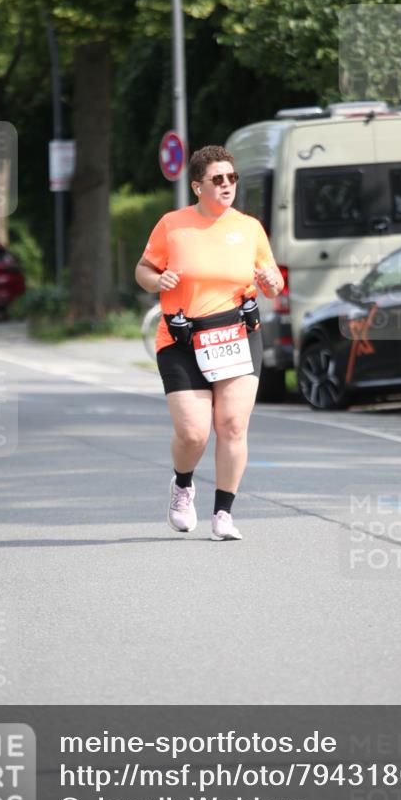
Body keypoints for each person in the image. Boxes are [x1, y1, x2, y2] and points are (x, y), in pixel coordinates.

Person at [135, 145, 284, 541]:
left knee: (233, 425)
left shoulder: (249, 227)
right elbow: (144, 269)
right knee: (194, 434)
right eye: (218, 179)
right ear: (197, 186)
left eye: (232, 178)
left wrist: (272, 283)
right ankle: (183, 485)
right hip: (182, 339)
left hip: (236, 336)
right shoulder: (173, 224)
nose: (227, 185)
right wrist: (157, 281)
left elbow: (272, 280)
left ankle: (223, 513)